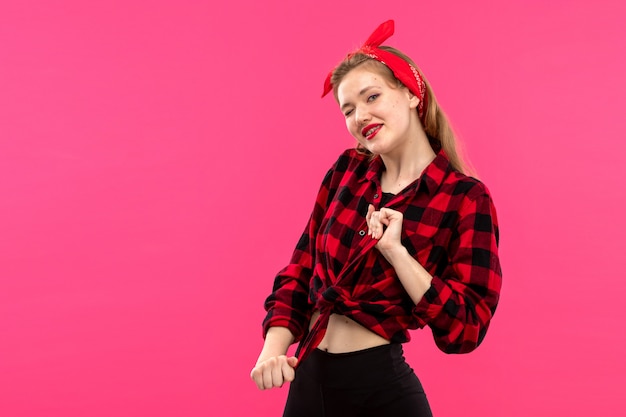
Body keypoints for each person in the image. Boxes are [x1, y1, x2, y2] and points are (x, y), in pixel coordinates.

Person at [250, 20, 502, 417]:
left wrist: (398, 255)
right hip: (308, 384)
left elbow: (466, 328)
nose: (359, 116)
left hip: (381, 395)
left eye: (372, 97)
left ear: (411, 94)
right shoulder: (346, 171)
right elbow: (300, 270)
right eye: (348, 109)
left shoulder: (464, 197)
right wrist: (272, 352)